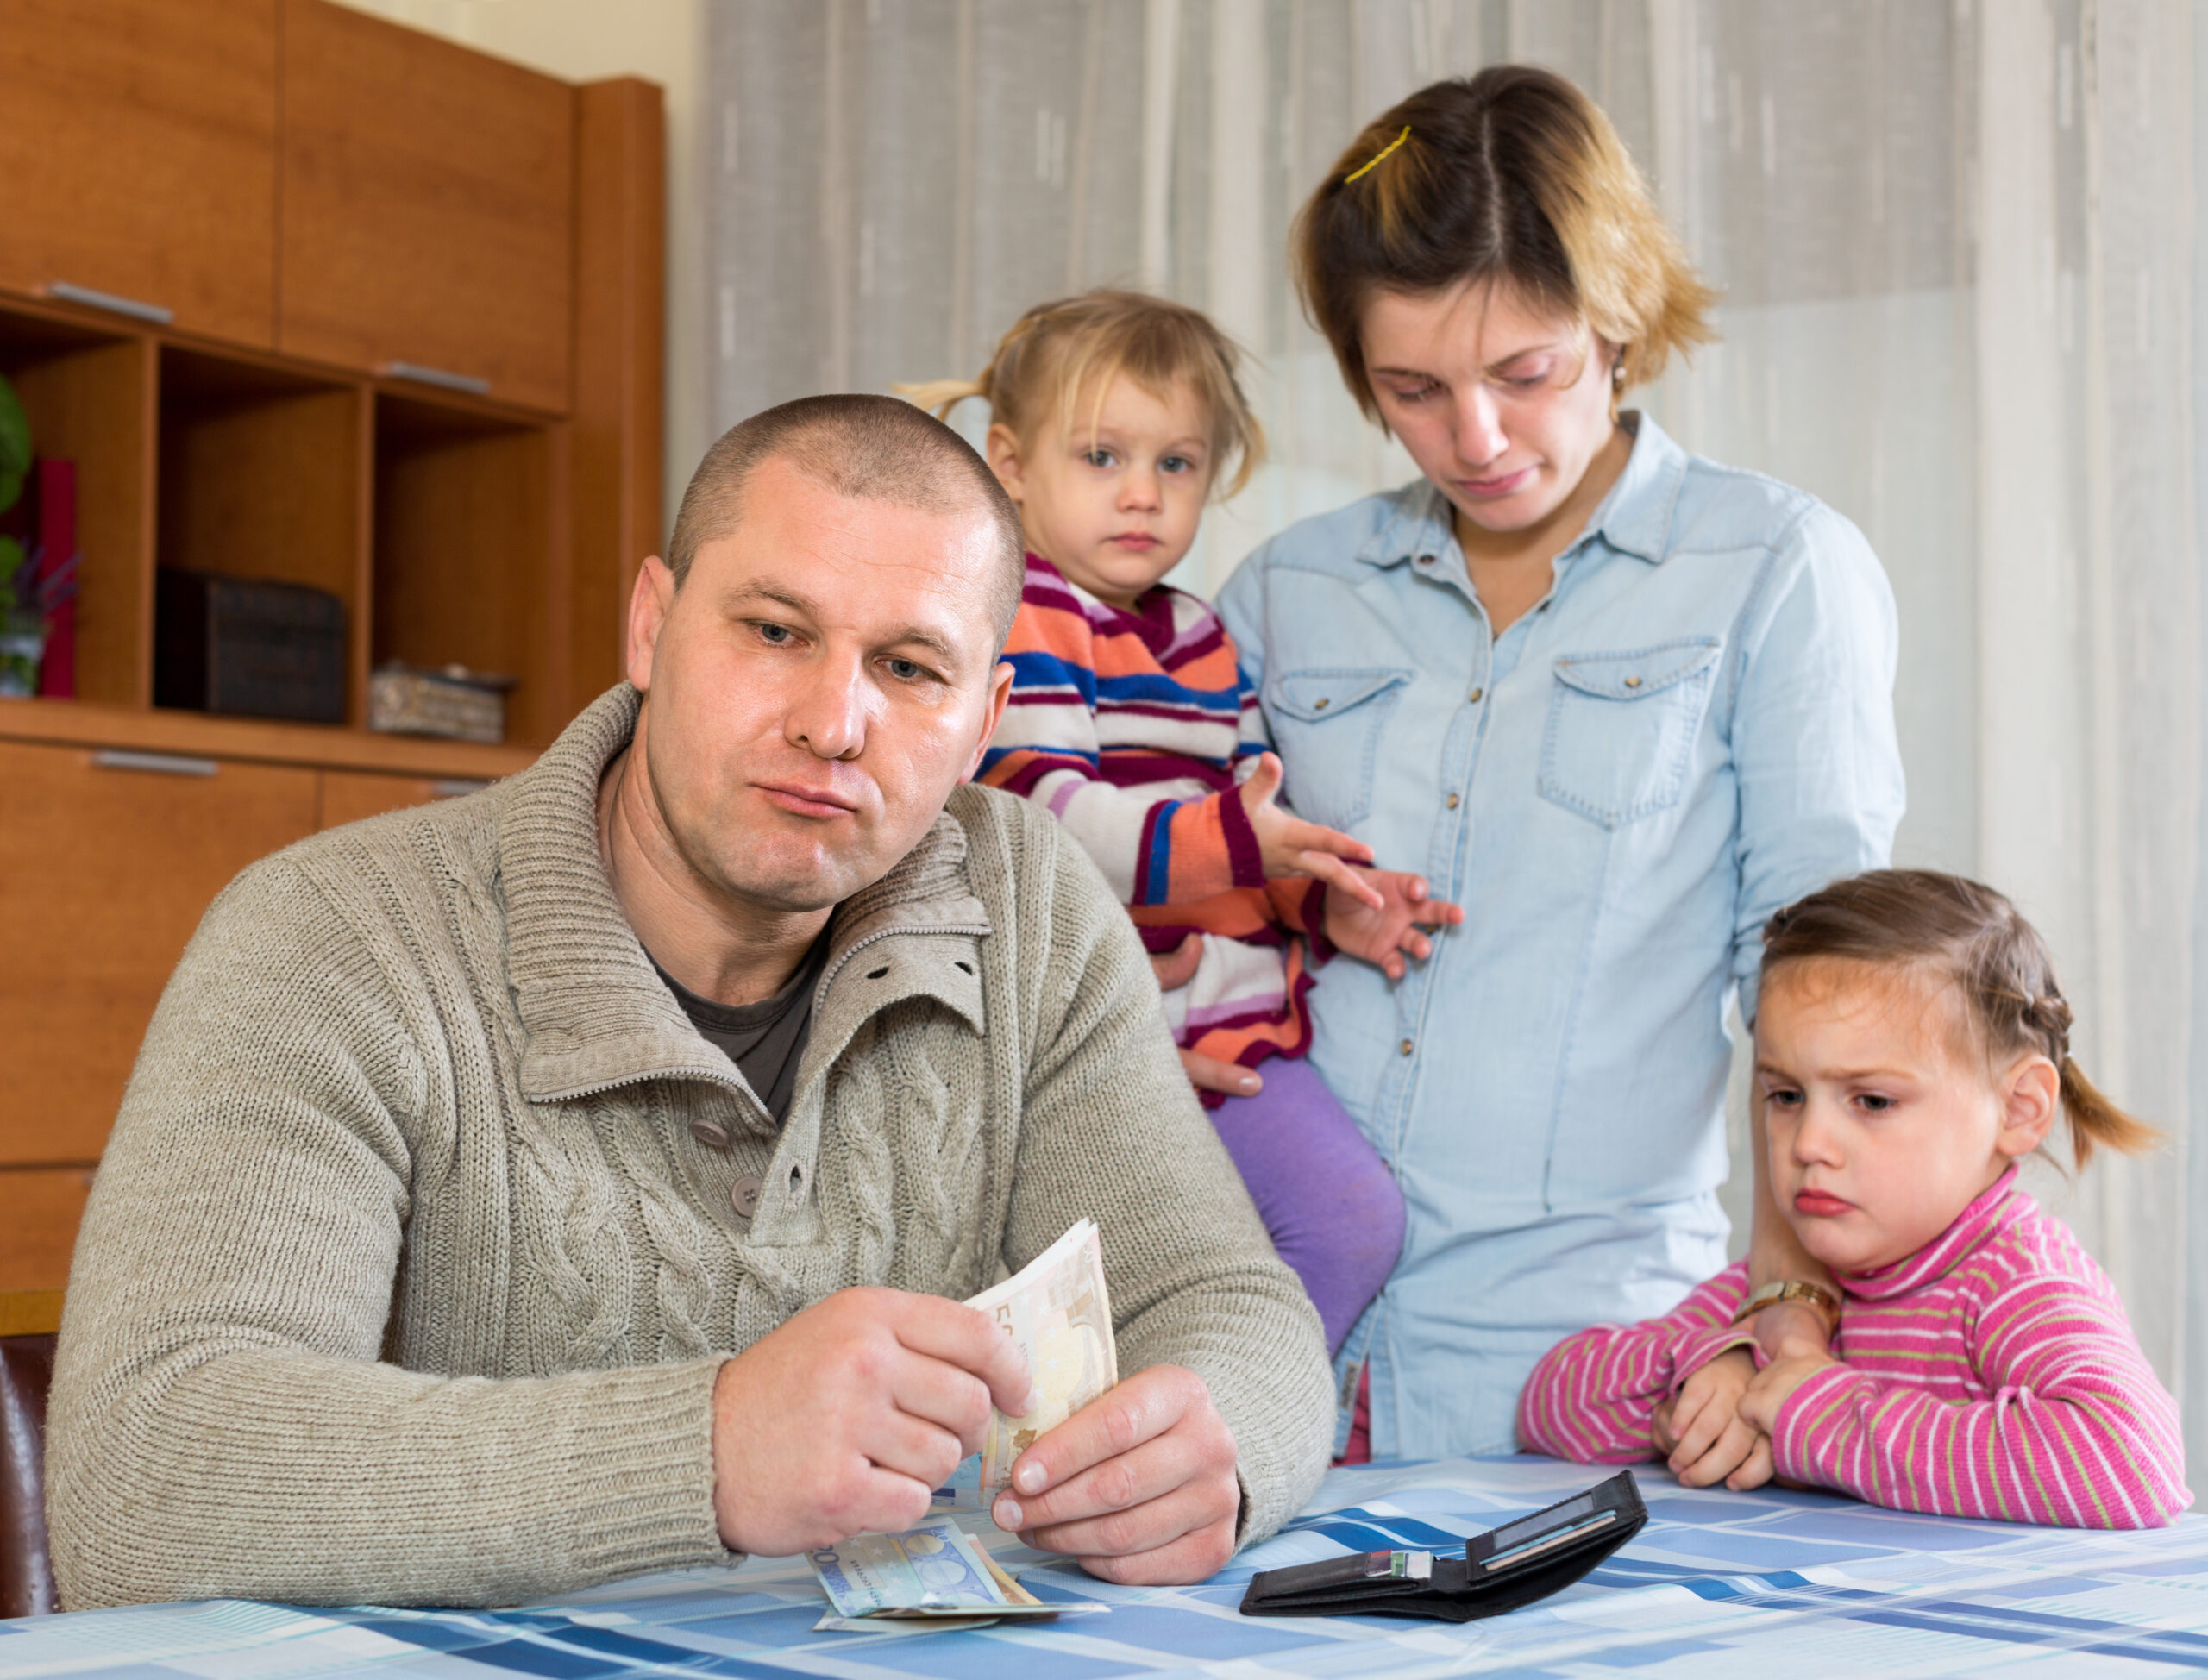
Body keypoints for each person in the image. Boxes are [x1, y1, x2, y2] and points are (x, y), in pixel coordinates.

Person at [44, 395, 1335, 1611]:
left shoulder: (1029, 904)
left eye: (909, 668)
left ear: (986, 716)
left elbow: (1229, 1305)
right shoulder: (336, 937)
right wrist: (703, 1449)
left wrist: (1212, 1456)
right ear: (652, 627)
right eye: (774, 632)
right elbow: (143, 1480)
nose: (835, 722)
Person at [1214, 65, 1907, 1460]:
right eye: (1412, 389)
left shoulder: (1773, 569)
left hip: (1584, 1369)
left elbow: (1819, 993)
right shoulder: (1287, 591)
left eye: (1524, 374)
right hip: (1258, 1335)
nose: (1475, 438)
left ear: (1617, 321)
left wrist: (1792, 1304)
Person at [906, 291, 1458, 1356]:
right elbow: (1046, 823)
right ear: (1011, 466)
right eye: (1102, 455)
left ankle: (1229, 1430)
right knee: (1087, 1295)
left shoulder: (1200, 635)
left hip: (1227, 1027)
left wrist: (1322, 903)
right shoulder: (1023, 613)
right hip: (1091, 1039)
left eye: (1176, 464)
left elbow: (1249, 824)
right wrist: (1238, 842)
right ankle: (1180, 1441)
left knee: (1347, 1225)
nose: (1142, 496)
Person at [1518, 870, 2187, 1528]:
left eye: (1871, 1101)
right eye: (1786, 1096)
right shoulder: (1789, 1292)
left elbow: (2134, 1461)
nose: (1809, 1143)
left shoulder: (2013, 1282)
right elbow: (1547, 1405)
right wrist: (1701, 1373)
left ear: (2018, 1109)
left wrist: (1823, 1414)